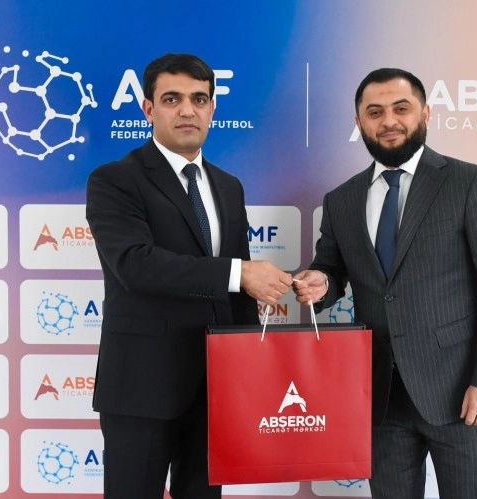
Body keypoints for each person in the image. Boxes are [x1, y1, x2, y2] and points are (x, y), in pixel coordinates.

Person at [292, 68, 477, 499]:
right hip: (380, 398)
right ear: (359, 122)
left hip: (462, 393)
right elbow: (331, 269)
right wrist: (318, 282)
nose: (389, 121)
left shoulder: (469, 182)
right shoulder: (341, 199)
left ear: (425, 113)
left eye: (401, 108)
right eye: (374, 112)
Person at [86, 53, 293, 499]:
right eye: (172, 99)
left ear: (212, 108)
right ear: (148, 109)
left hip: (217, 385)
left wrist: (251, 364)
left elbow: (237, 290)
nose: (187, 110)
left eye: (199, 99)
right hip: (141, 386)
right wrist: (241, 273)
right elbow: (136, 265)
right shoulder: (114, 180)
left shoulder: (228, 185)